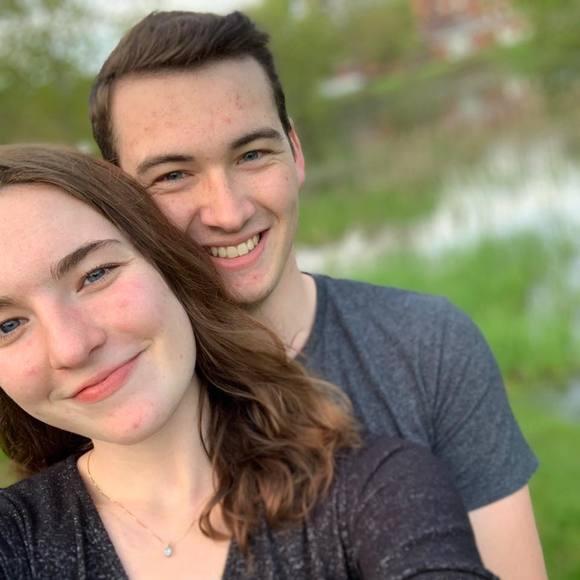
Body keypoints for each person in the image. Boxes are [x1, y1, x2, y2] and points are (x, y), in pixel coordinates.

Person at [88, 10, 546, 579]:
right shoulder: (108, 392)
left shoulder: (428, 347)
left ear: (296, 153)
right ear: (120, 200)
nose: (228, 212)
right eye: (174, 175)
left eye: (252, 154)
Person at [0, 144, 497, 579]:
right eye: (7, 325)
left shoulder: (375, 492)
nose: (71, 346)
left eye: (96, 274)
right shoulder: (14, 540)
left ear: (169, 265)